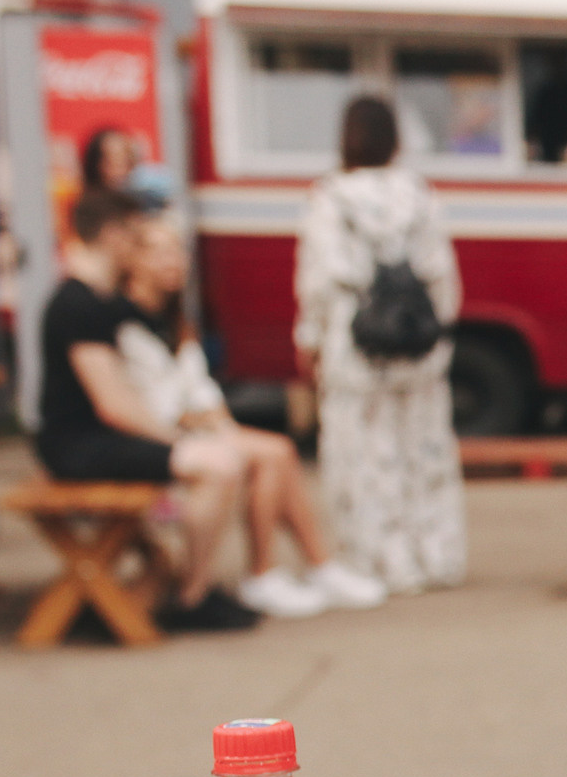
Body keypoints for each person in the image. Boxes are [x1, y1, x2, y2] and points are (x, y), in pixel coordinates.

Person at [120, 215, 386, 618]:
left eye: (176, 250)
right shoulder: (121, 323)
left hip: (195, 429)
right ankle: (278, 571)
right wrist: (204, 419)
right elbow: (157, 403)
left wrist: (213, 419)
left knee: (276, 453)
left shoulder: (174, 319)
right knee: (275, 452)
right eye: (157, 251)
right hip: (158, 439)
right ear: (131, 260)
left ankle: (308, 567)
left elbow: (199, 387)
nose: (172, 260)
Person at [34, 187, 257, 632]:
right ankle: (192, 595)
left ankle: (173, 584)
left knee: (217, 459)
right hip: (77, 447)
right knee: (218, 464)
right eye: (134, 236)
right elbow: (113, 405)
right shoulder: (77, 304)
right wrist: (177, 442)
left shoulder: (99, 300)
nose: (138, 247)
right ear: (112, 235)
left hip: (94, 440)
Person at [296, 94, 466, 594]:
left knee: (365, 455)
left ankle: (381, 561)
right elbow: (442, 274)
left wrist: (309, 338)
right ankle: (435, 555)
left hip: (355, 345)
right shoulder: (419, 195)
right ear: (395, 138)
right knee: (423, 451)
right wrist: (436, 330)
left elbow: (319, 282)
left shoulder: (330, 198)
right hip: (417, 345)